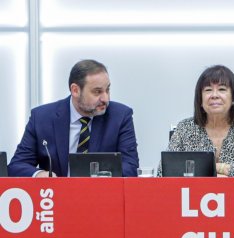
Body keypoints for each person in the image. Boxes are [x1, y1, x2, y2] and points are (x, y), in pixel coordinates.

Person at [8, 59, 139, 177]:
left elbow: (130, 167)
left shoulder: (120, 116)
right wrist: (39, 174)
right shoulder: (42, 118)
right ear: (75, 90)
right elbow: (17, 166)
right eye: (97, 92)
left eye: (107, 90)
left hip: (102, 198)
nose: (105, 98)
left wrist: (99, 177)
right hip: (56, 199)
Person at [159, 65, 234, 176]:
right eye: (208, 90)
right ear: (200, 99)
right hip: (192, 193)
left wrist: (214, 168)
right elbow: (163, 173)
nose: (214, 95)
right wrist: (224, 171)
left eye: (222, 89)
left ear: (233, 98)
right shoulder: (185, 128)